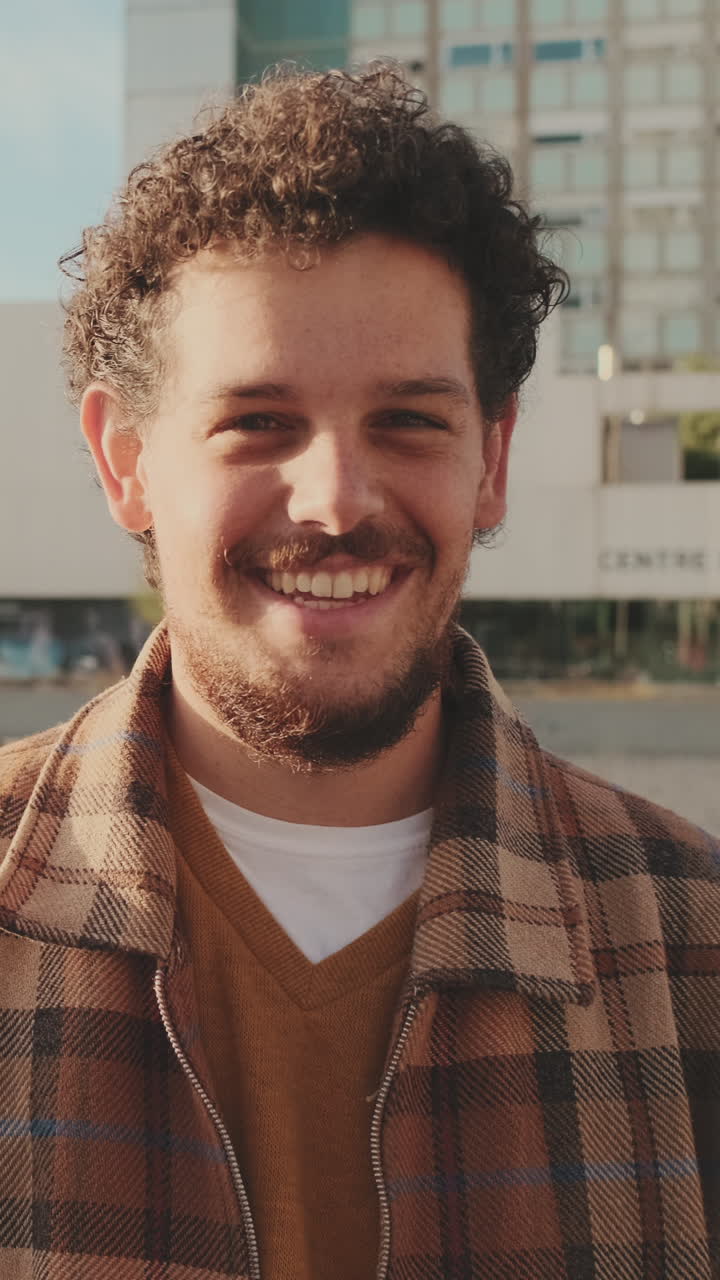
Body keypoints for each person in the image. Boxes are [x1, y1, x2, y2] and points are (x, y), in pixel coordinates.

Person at [0, 65, 718, 1280]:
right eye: (259, 422)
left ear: (491, 461)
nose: (335, 499)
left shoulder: (694, 946)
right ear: (126, 461)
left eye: (410, 420)